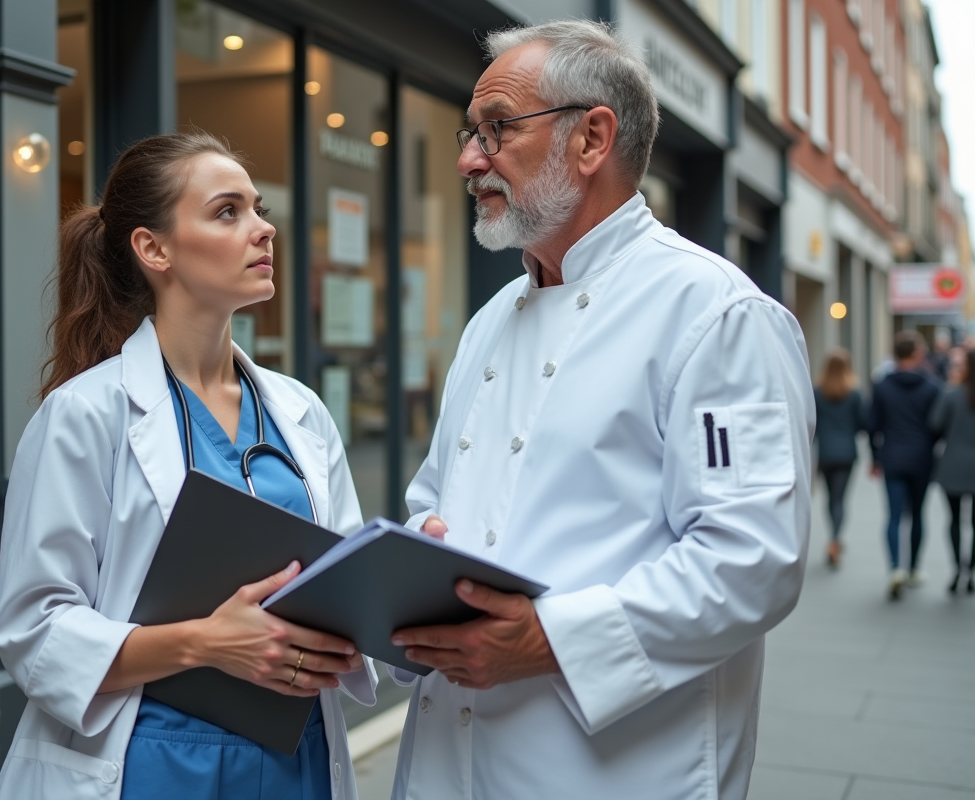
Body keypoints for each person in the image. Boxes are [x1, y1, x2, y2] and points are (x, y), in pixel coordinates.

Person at [385, 20, 814, 800]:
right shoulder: (491, 320)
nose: (467, 160)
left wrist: (546, 641)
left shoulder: (713, 313)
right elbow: (433, 497)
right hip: (454, 756)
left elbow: (752, 559)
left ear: (591, 140)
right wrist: (422, 548)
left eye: (496, 130)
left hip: (615, 769)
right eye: (469, 133)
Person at [0, 132, 376, 800]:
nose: (264, 229)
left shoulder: (300, 412)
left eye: (257, 209)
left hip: (297, 754)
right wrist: (205, 643)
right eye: (228, 212)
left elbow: (344, 585)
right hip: (152, 762)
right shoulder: (86, 414)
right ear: (153, 248)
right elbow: (34, 628)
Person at [867, 329, 941, 599]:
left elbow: (871, 426)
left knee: (894, 515)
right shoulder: (933, 386)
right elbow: (938, 427)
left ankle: (895, 568)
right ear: (918, 353)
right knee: (918, 514)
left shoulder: (882, 386)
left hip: (892, 456)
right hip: (922, 458)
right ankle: (914, 569)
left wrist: (874, 459)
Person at [813, 349, 866, 568]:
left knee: (830, 498)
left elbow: (811, 422)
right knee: (840, 498)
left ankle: (833, 539)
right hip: (846, 452)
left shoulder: (817, 392)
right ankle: (835, 539)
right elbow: (862, 423)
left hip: (825, 452)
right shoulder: (854, 394)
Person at [929, 348, 975, 593]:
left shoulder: (952, 394)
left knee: (955, 521)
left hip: (954, 465)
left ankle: (958, 568)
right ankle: (971, 570)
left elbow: (935, 424)